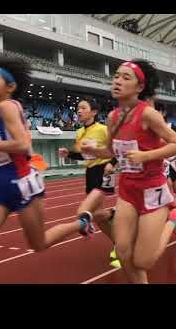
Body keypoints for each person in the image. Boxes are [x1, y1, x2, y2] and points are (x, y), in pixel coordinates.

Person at [0, 55, 94, 283]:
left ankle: (81, 223)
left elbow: (23, 145)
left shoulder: (8, 106)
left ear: (10, 86)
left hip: (22, 183)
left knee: (38, 244)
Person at [81, 59, 176, 284]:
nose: (117, 81)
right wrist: (94, 150)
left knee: (143, 261)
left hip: (153, 189)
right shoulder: (112, 118)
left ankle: (175, 221)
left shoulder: (148, 115)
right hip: (128, 189)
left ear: (139, 88)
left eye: (125, 78)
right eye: (116, 76)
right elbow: (112, 151)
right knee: (122, 253)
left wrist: (146, 156)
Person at [58, 97, 121, 268]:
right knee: (99, 218)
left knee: (86, 212)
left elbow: (117, 149)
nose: (79, 111)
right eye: (78, 108)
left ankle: (114, 215)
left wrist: (112, 163)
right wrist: (69, 154)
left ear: (93, 112)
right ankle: (119, 241)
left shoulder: (103, 129)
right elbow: (85, 155)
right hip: (90, 173)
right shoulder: (79, 133)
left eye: (83, 108)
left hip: (104, 171)